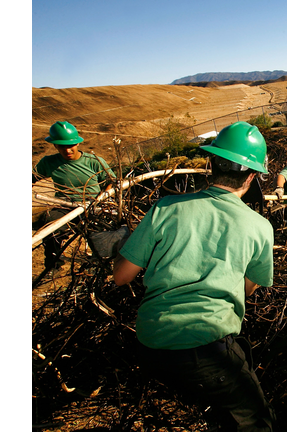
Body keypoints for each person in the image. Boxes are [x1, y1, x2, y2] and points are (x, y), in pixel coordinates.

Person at [113, 121, 276, 431]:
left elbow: (122, 275)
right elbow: (248, 289)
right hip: (206, 349)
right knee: (257, 421)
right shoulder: (259, 227)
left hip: (151, 344)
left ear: (210, 163)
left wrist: (122, 246)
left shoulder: (166, 207)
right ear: (253, 175)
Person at [32, 121, 116, 269]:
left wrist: (102, 197)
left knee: (100, 239)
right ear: (55, 146)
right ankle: (54, 266)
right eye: (62, 147)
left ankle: (101, 265)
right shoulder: (49, 162)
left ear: (77, 144)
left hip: (93, 206)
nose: (68, 150)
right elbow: (32, 178)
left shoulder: (93, 162)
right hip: (65, 207)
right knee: (49, 225)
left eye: (71, 146)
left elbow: (112, 181)